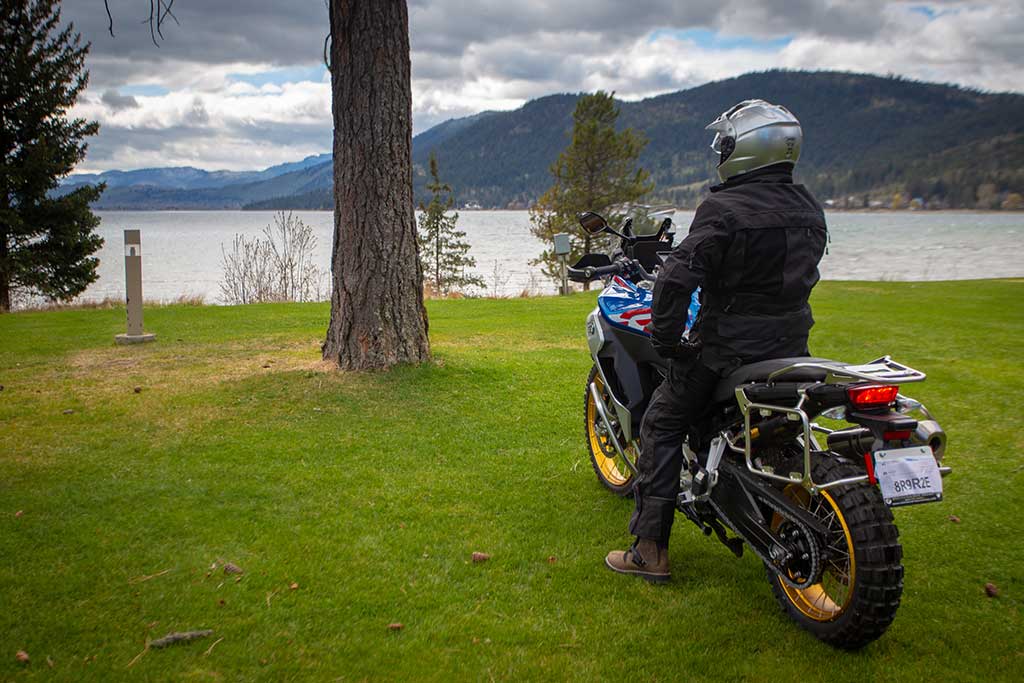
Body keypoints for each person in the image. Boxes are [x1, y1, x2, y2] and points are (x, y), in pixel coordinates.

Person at [605, 100, 828, 582]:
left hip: (727, 351)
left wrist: (669, 341)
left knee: (661, 422)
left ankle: (649, 551)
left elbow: (674, 281)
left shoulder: (724, 208)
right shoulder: (808, 205)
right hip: (791, 349)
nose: (719, 152)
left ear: (745, 150)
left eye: (724, 144)